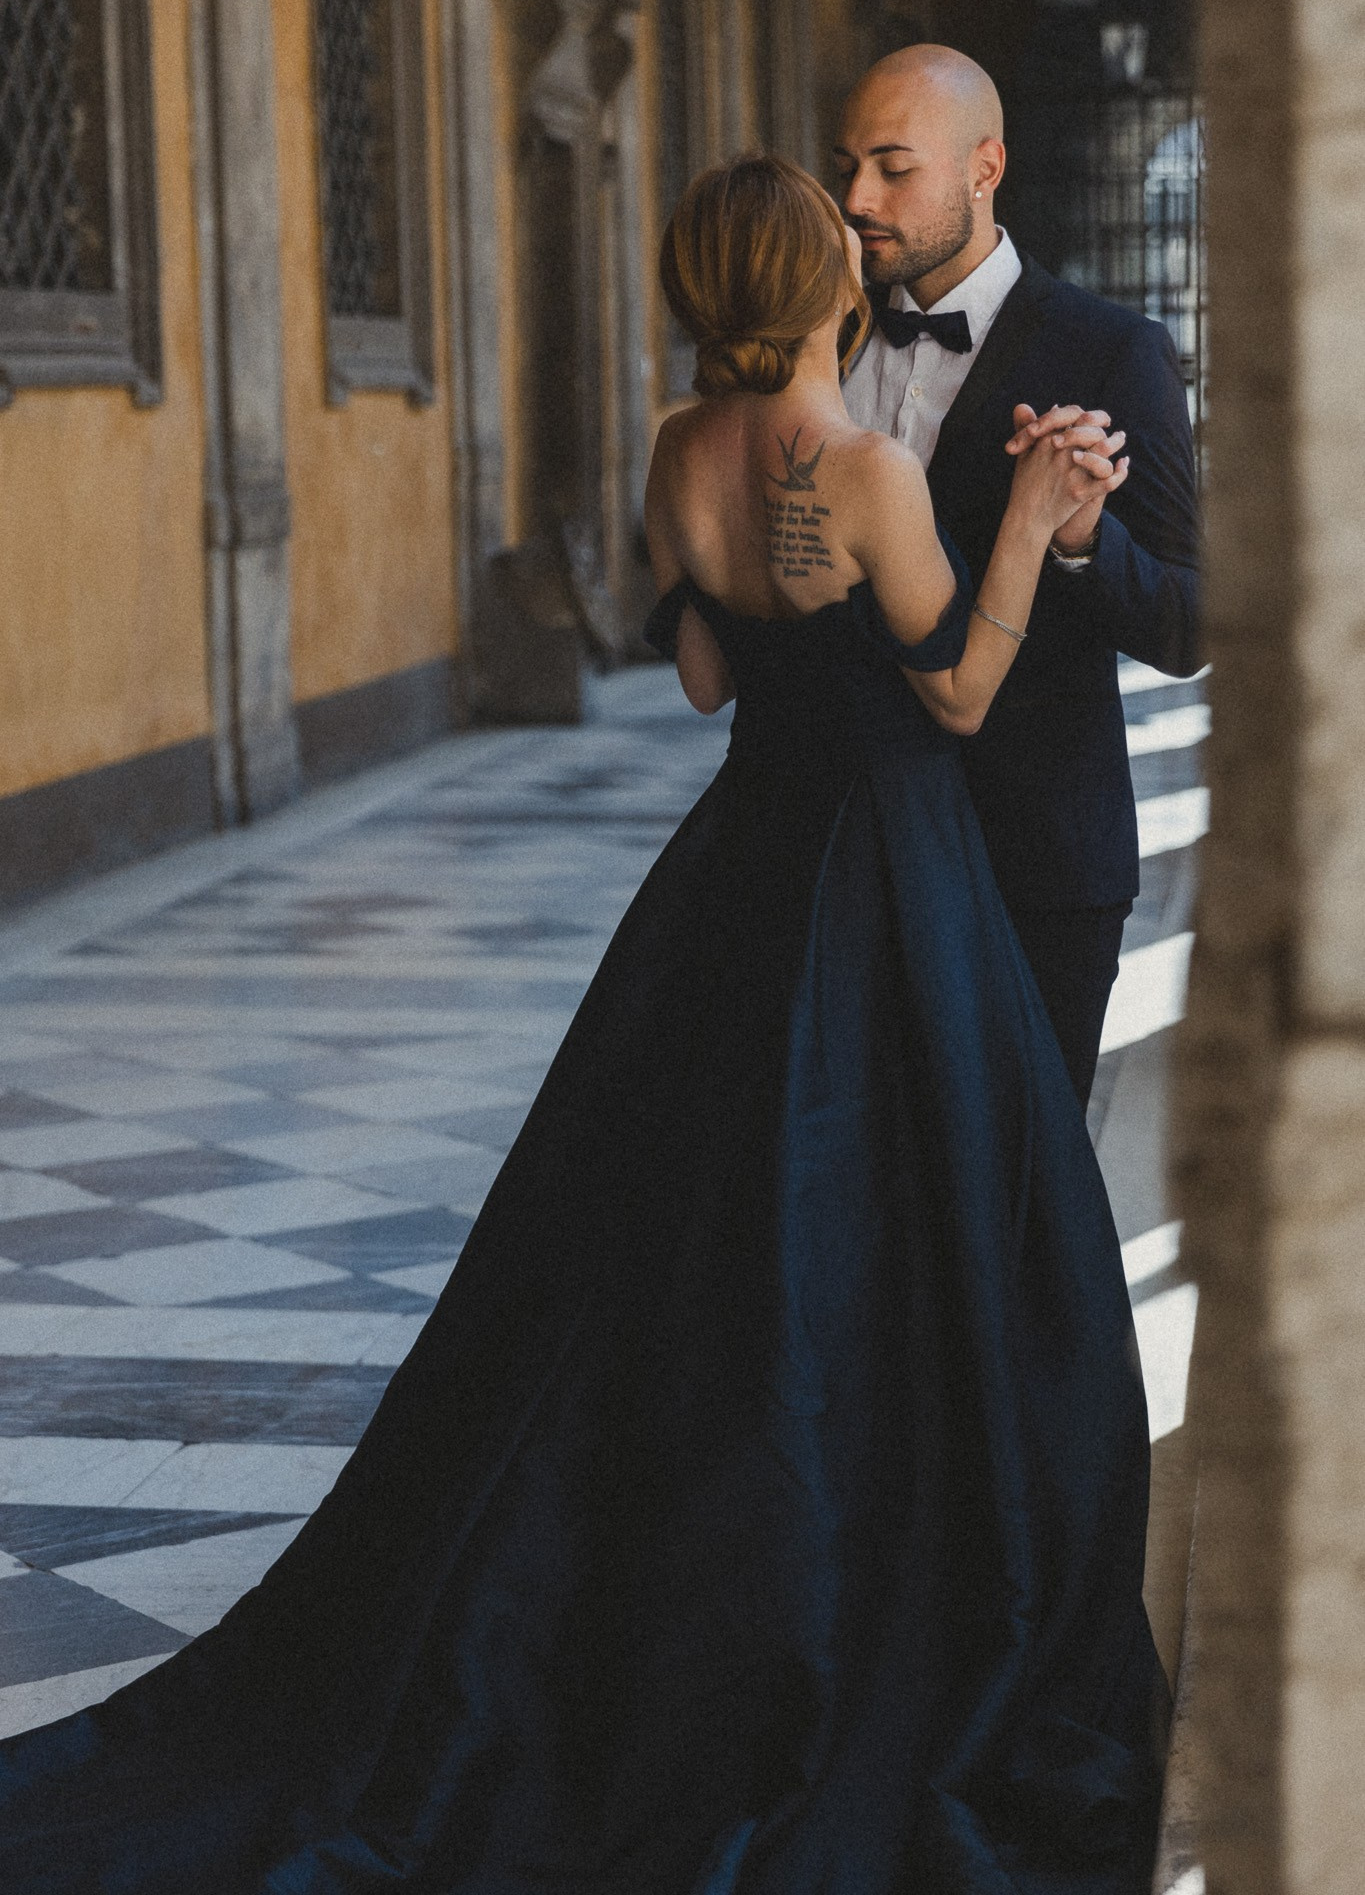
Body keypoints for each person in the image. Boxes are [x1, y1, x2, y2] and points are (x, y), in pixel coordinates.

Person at [0, 157, 1164, 1894]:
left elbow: (702, 676)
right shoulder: (854, 467)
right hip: (890, 888)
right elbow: (964, 694)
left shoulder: (680, 453)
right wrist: (1017, 519)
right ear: (823, 289)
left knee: (683, 1236)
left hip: (737, 878)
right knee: (903, 1243)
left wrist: (771, 595)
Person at [839, 45, 1202, 1105]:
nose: (858, 198)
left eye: (893, 167)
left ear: (983, 166)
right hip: (853, 861)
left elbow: (1188, 624)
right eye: (849, 164)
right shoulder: (825, 336)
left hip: (1034, 863)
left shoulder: (1110, 350)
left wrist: (1085, 539)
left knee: (1025, 1209)